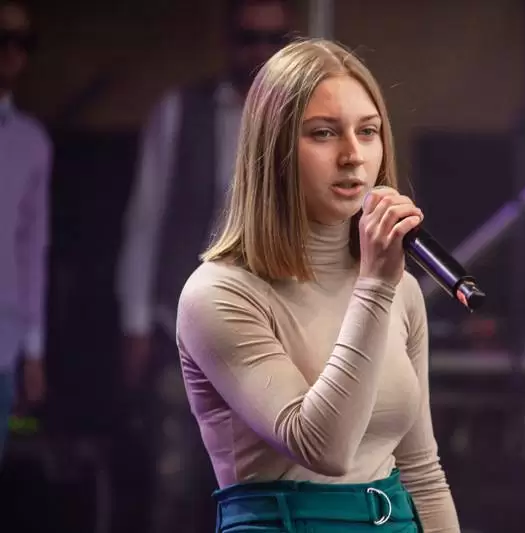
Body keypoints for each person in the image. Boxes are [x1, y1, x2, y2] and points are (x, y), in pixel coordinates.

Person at [175, 38, 461, 533]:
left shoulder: (401, 290)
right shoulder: (218, 294)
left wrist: (380, 283)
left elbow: (422, 474)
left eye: (368, 131)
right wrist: (375, 286)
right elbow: (322, 447)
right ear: (274, 149)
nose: (353, 155)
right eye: (324, 133)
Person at [114, 1, 295, 531]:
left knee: (253, 484)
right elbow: (145, 218)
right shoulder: (180, 111)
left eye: (273, 40)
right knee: (175, 478)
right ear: (229, 40)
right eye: (249, 38)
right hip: (181, 323)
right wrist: (134, 323)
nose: (260, 52)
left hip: (267, 330)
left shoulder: (298, 120)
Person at [0, 0, 49, 460]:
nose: (11, 51)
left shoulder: (32, 143)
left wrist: (33, 351)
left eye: (22, 41)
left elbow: (32, 251)